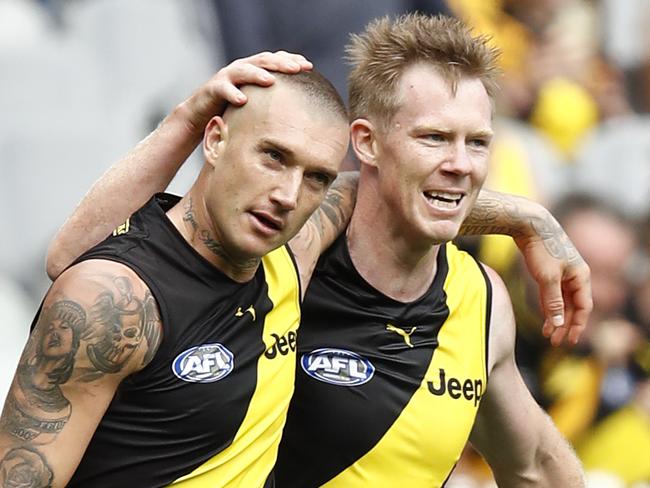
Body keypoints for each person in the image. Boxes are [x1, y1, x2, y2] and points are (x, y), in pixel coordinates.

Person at [42, 20, 591, 488]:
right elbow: (81, 261)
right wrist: (189, 119)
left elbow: (538, 466)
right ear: (367, 142)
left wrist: (532, 217)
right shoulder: (281, 255)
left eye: (478, 142)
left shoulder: (479, 301)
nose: (461, 163)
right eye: (432, 137)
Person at [0, 52, 355, 487]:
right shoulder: (115, 301)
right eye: (274, 156)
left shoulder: (292, 255)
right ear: (215, 140)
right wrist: (186, 118)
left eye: (317, 177)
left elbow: (404, 194)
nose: (289, 194)